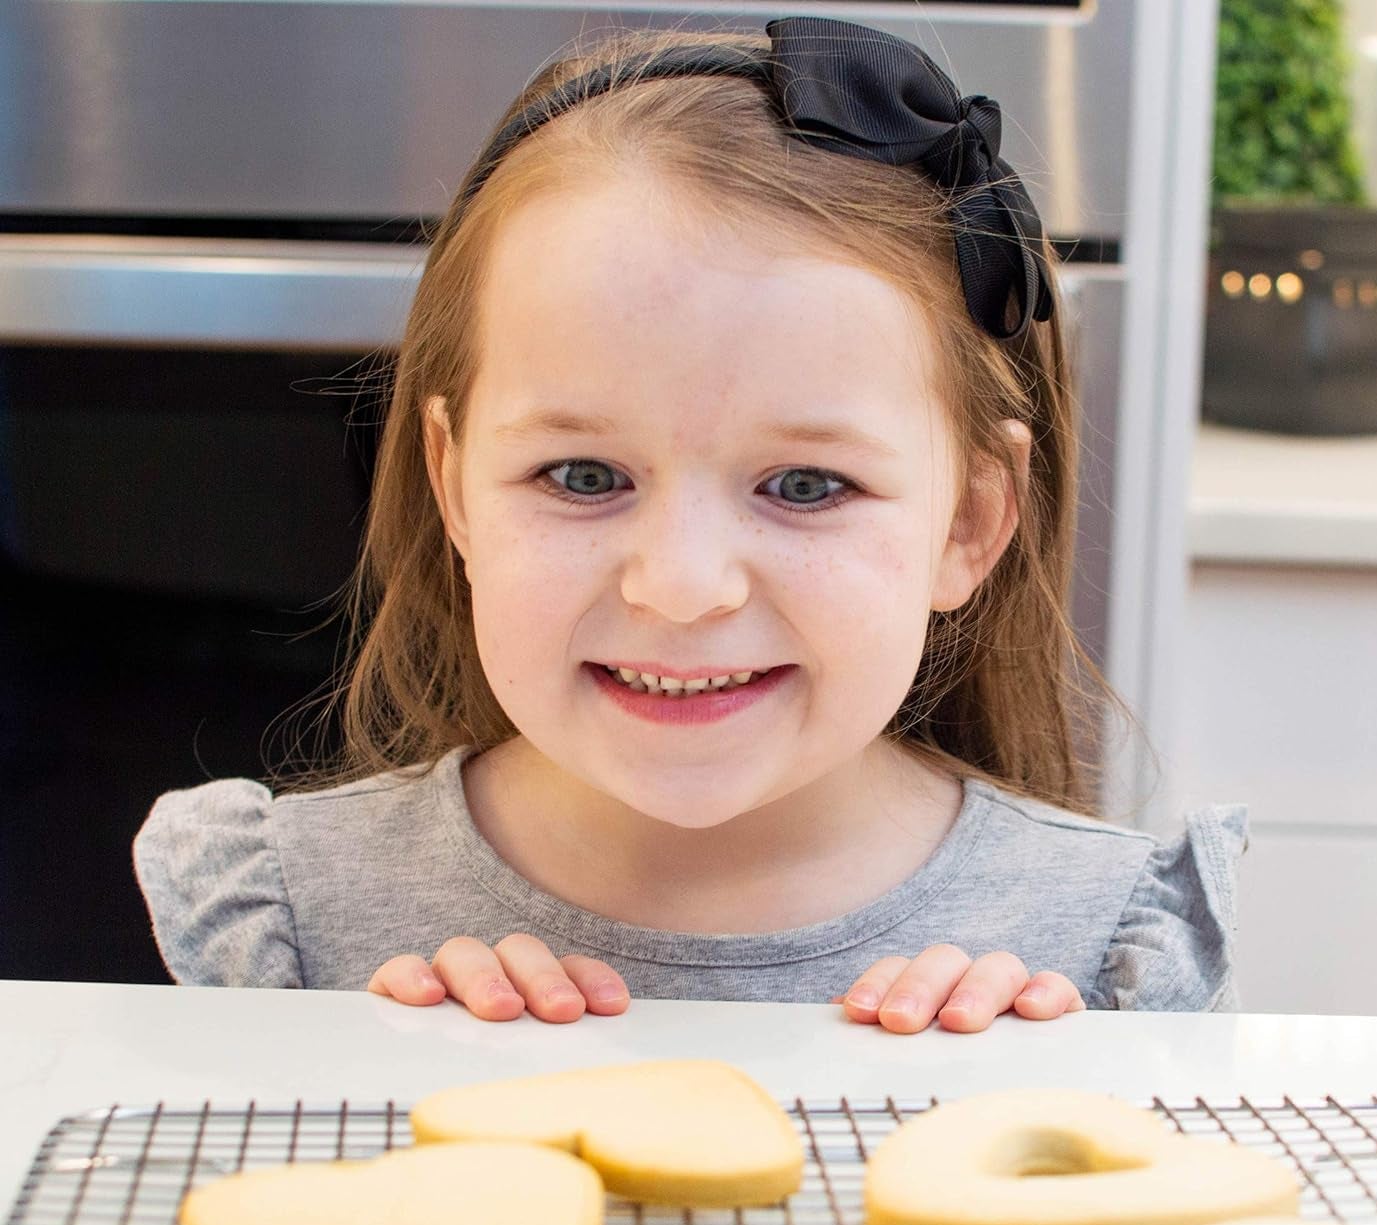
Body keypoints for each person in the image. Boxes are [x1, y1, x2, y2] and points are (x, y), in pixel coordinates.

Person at [133, 17, 1247, 1034]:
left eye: (805, 486)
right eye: (580, 474)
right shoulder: (296, 919)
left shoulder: (1098, 955)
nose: (680, 584)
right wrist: (364, 1094)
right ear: (453, 482)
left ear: (970, 519)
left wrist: (1036, 1114)